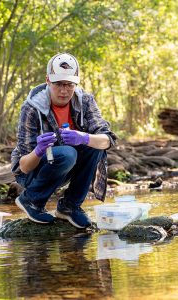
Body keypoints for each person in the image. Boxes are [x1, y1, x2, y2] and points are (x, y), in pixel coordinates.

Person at [11, 53, 116, 228]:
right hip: (33, 171)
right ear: (48, 81)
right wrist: (38, 151)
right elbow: (23, 167)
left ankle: (70, 206)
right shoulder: (31, 108)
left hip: (68, 166)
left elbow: (108, 140)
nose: (64, 90)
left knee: (94, 146)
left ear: (76, 83)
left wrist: (84, 137)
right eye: (58, 84)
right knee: (68, 153)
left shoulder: (85, 101)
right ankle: (31, 201)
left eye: (69, 85)